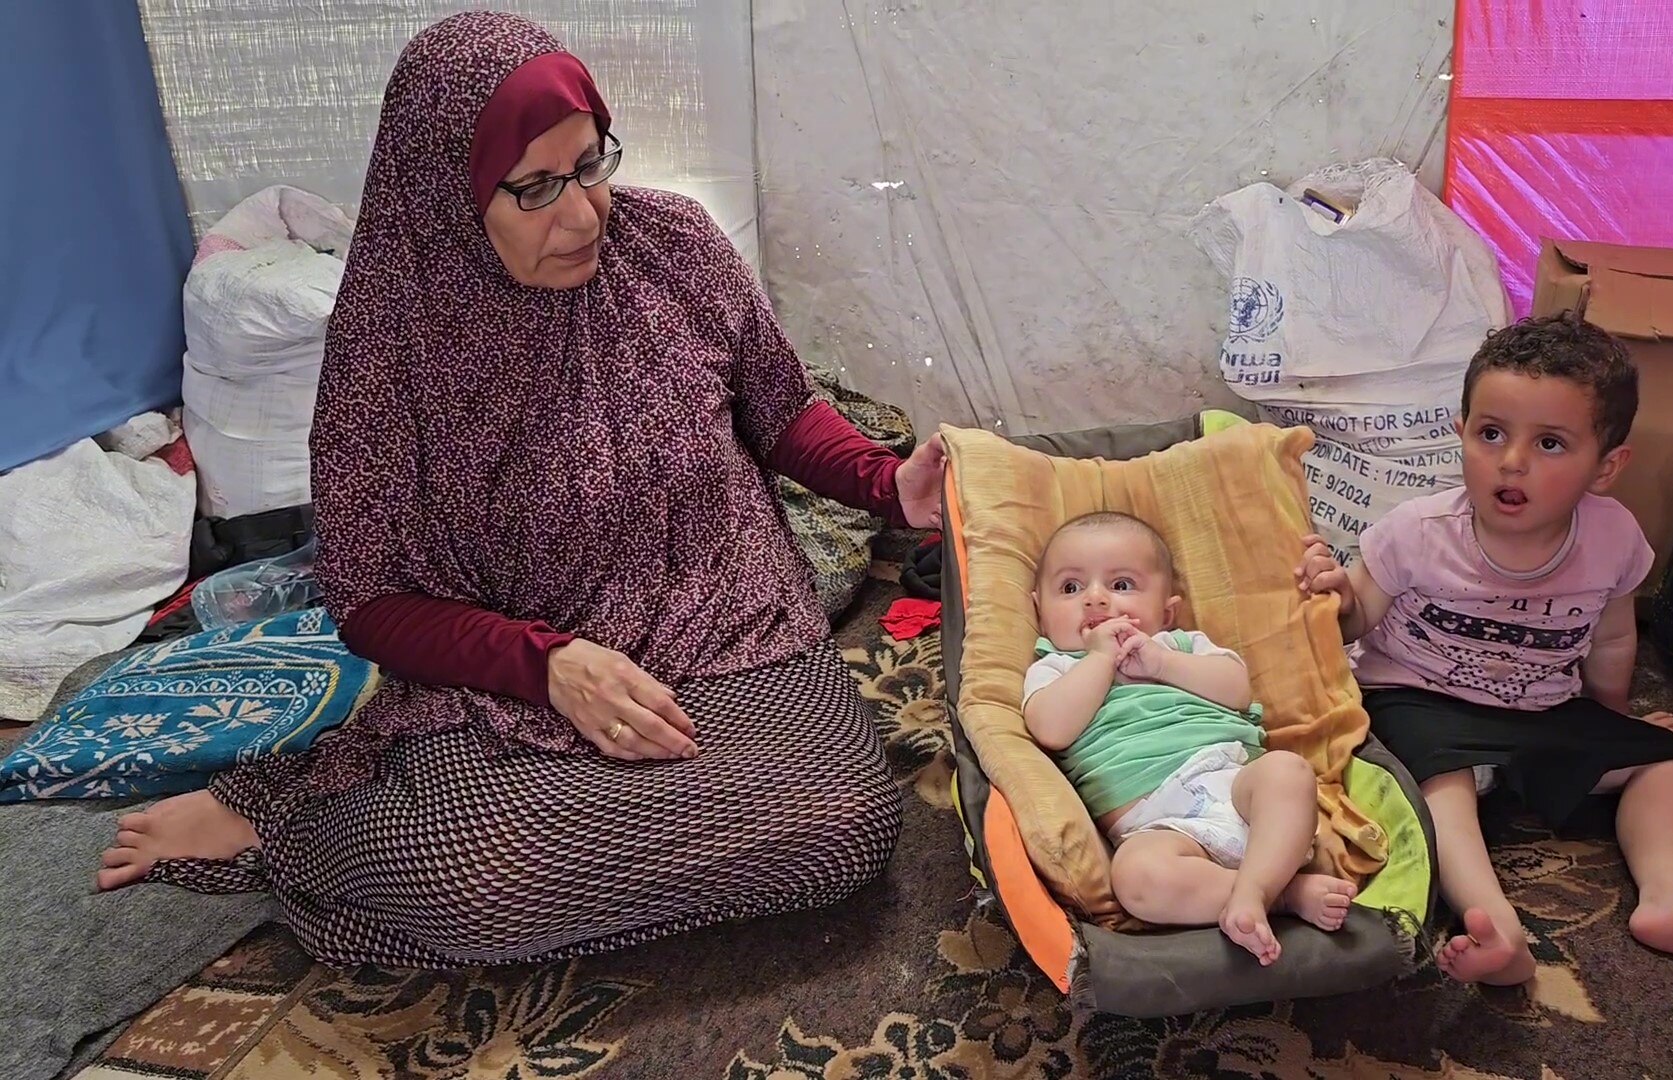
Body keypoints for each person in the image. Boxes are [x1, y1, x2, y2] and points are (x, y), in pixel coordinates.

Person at [95, 11, 944, 968]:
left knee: (845, 826)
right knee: (473, 885)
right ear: (449, 196)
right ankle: (298, 828)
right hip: (513, 672)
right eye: (534, 188)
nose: (584, 215)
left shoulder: (672, 247)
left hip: (726, 621)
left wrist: (888, 483)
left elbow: (779, 410)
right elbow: (372, 603)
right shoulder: (393, 345)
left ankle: (604, 842)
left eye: (590, 165)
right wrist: (554, 667)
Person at [1295, 313, 1673, 985]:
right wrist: (1334, 594)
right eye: (1491, 433)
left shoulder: (1613, 538)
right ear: (1461, 433)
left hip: (1540, 708)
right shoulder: (1415, 532)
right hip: (1419, 702)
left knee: (1669, 762)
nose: (1512, 461)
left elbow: (1615, 636)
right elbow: (1356, 624)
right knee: (1440, 786)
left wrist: (1614, 717)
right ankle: (1494, 923)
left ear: (1607, 466)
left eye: (1551, 443)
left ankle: (1672, 893)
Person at [1023, 512, 1356, 965]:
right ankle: (1280, 895)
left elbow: (1238, 690)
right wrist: (1100, 660)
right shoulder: (1056, 668)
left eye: (1121, 585)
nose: (1096, 600)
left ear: (1167, 611)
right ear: (1039, 610)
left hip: (1234, 785)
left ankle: (1259, 883)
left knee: (1287, 771)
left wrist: (1162, 664)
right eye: (1070, 588)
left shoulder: (1181, 645)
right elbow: (1050, 729)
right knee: (1136, 880)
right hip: (1157, 825)